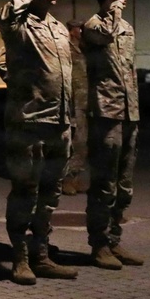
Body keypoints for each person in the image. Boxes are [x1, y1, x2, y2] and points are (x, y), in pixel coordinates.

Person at [0, 0, 78, 285]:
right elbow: (2, 15)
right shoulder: (19, 25)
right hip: (29, 122)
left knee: (50, 193)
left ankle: (41, 255)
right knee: (25, 192)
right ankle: (20, 259)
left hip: (59, 122)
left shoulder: (57, 27)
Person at [82, 0, 144, 269]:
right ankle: (99, 245)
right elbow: (106, 33)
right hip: (106, 113)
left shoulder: (127, 28)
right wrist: (114, 6)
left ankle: (114, 240)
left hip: (129, 113)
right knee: (104, 184)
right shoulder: (94, 25)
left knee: (124, 186)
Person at [62, 20, 89, 195]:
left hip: (86, 101)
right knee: (76, 142)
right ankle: (67, 179)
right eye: (79, 29)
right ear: (71, 31)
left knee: (84, 142)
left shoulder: (85, 49)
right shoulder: (66, 49)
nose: (82, 31)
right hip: (73, 102)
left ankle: (76, 177)